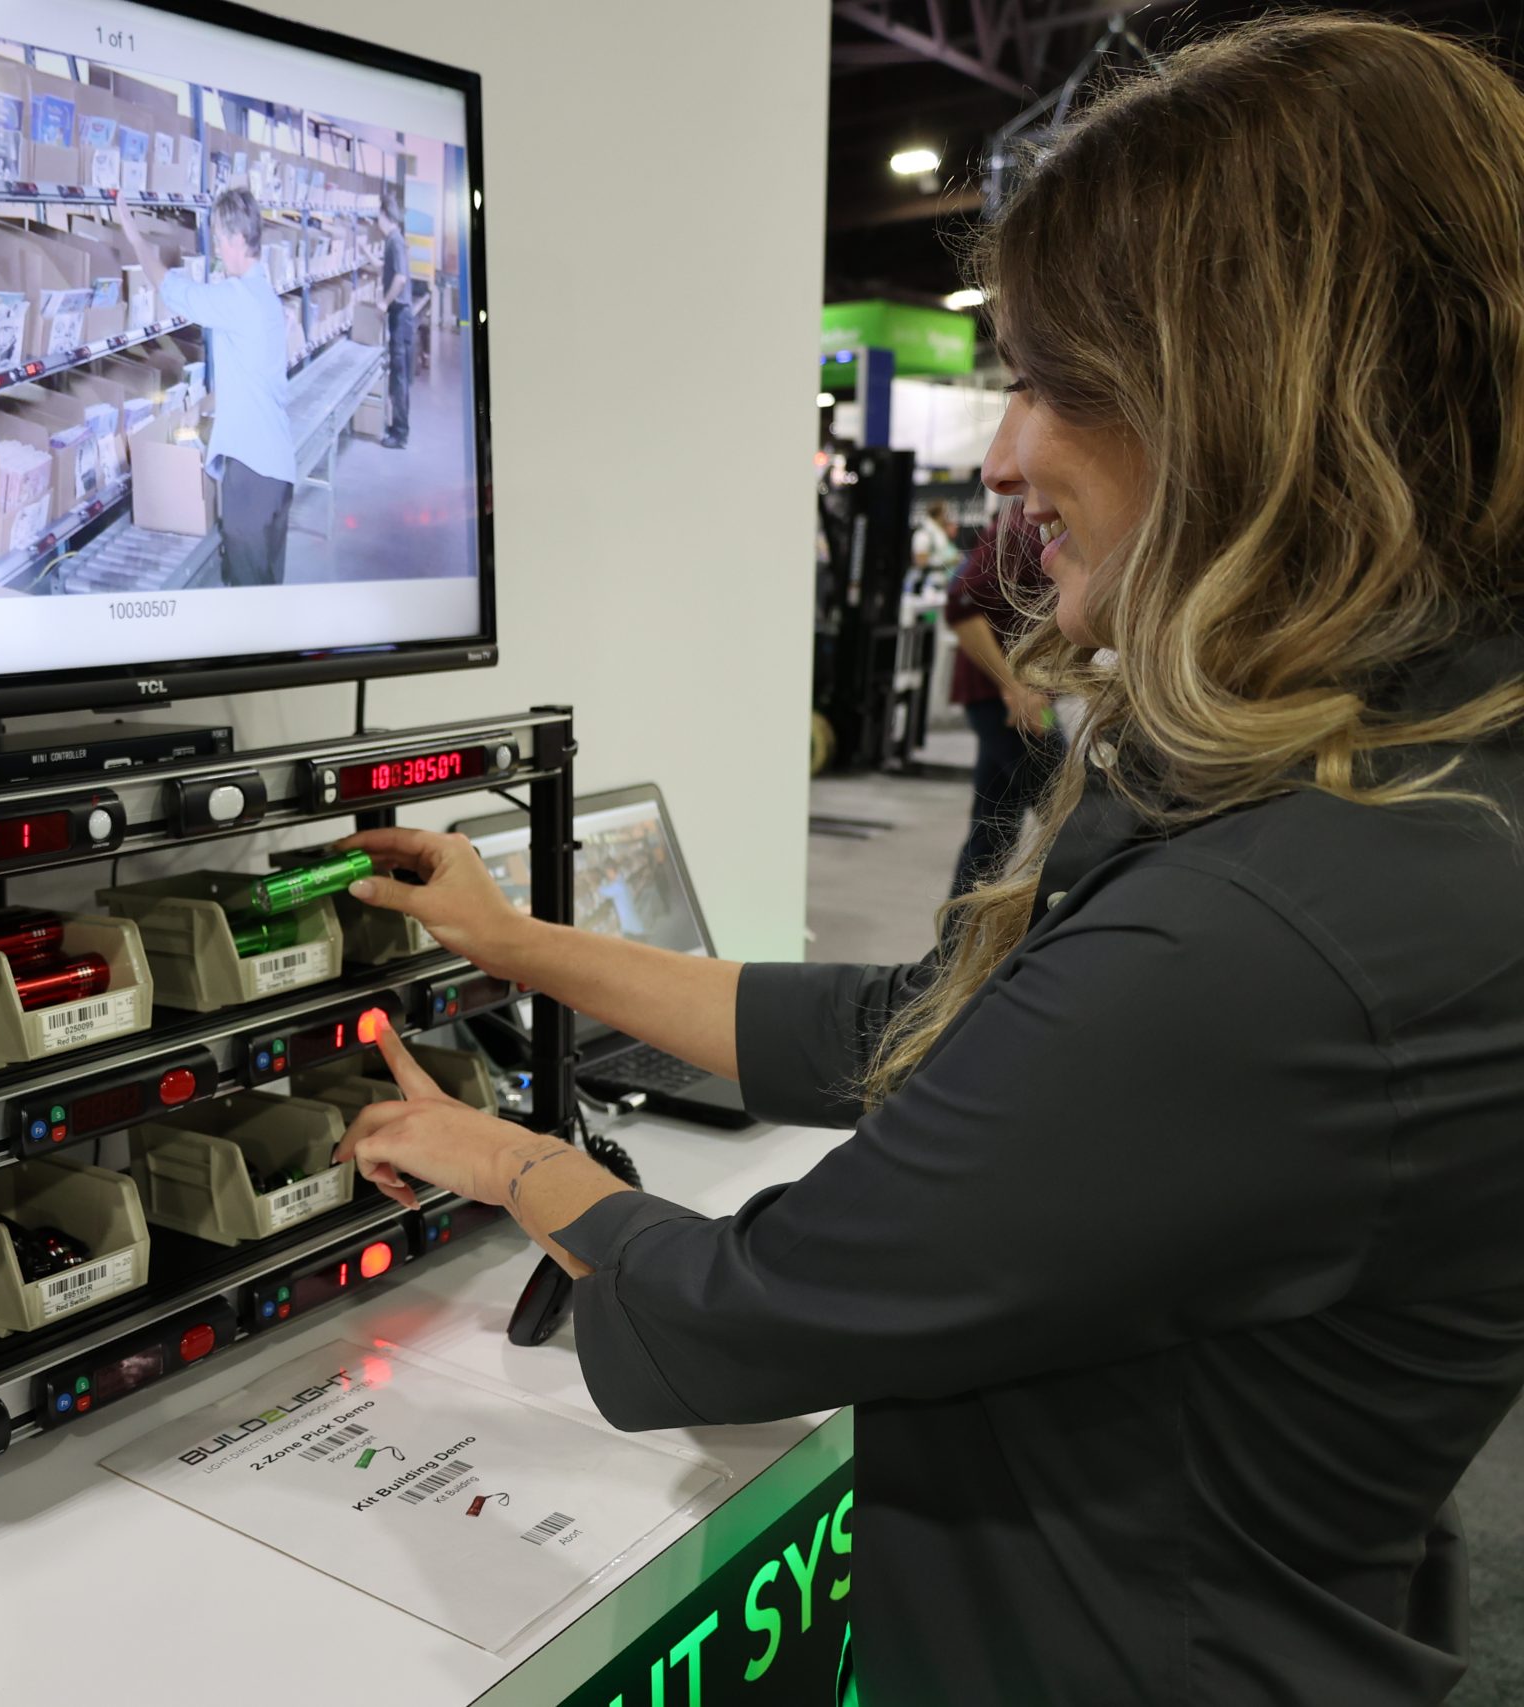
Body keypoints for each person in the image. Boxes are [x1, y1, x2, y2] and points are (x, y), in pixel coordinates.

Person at [326, 18, 1524, 1704]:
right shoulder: (1403, 776)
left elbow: (751, 1311)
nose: (1004, 453)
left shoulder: (1278, 928)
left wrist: (500, 1158)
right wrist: (525, 949)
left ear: (1248, 400)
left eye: (1050, 379)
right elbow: (924, 1023)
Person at [118, 188, 294, 585]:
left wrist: (134, 236)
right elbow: (253, 377)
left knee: (247, 603)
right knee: (267, 595)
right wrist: (204, 405)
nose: (215, 248)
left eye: (216, 238)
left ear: (235, 240)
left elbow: (172, 289)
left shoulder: (237, 297)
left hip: (250, 475)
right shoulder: (266, 297)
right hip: (278, 472)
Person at [945, 503, 1060, 893]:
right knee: (1071, 813)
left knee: (992, 834)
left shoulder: (1044, 529)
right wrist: (1014, 687)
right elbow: (961, 606)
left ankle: (953, 949)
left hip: (1018, 699)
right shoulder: (1020, 528)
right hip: (1009, 704)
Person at [377, 184, 413, 449]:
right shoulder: (393, 241)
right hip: (398, 316)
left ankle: (400, 433)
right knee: (397, 375)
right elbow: (390, 269)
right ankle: (398, 427)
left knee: (399, 376)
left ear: (384, 216)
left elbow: (400, 278)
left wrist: (383, 303)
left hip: (400, 316)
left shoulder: (396, 241)